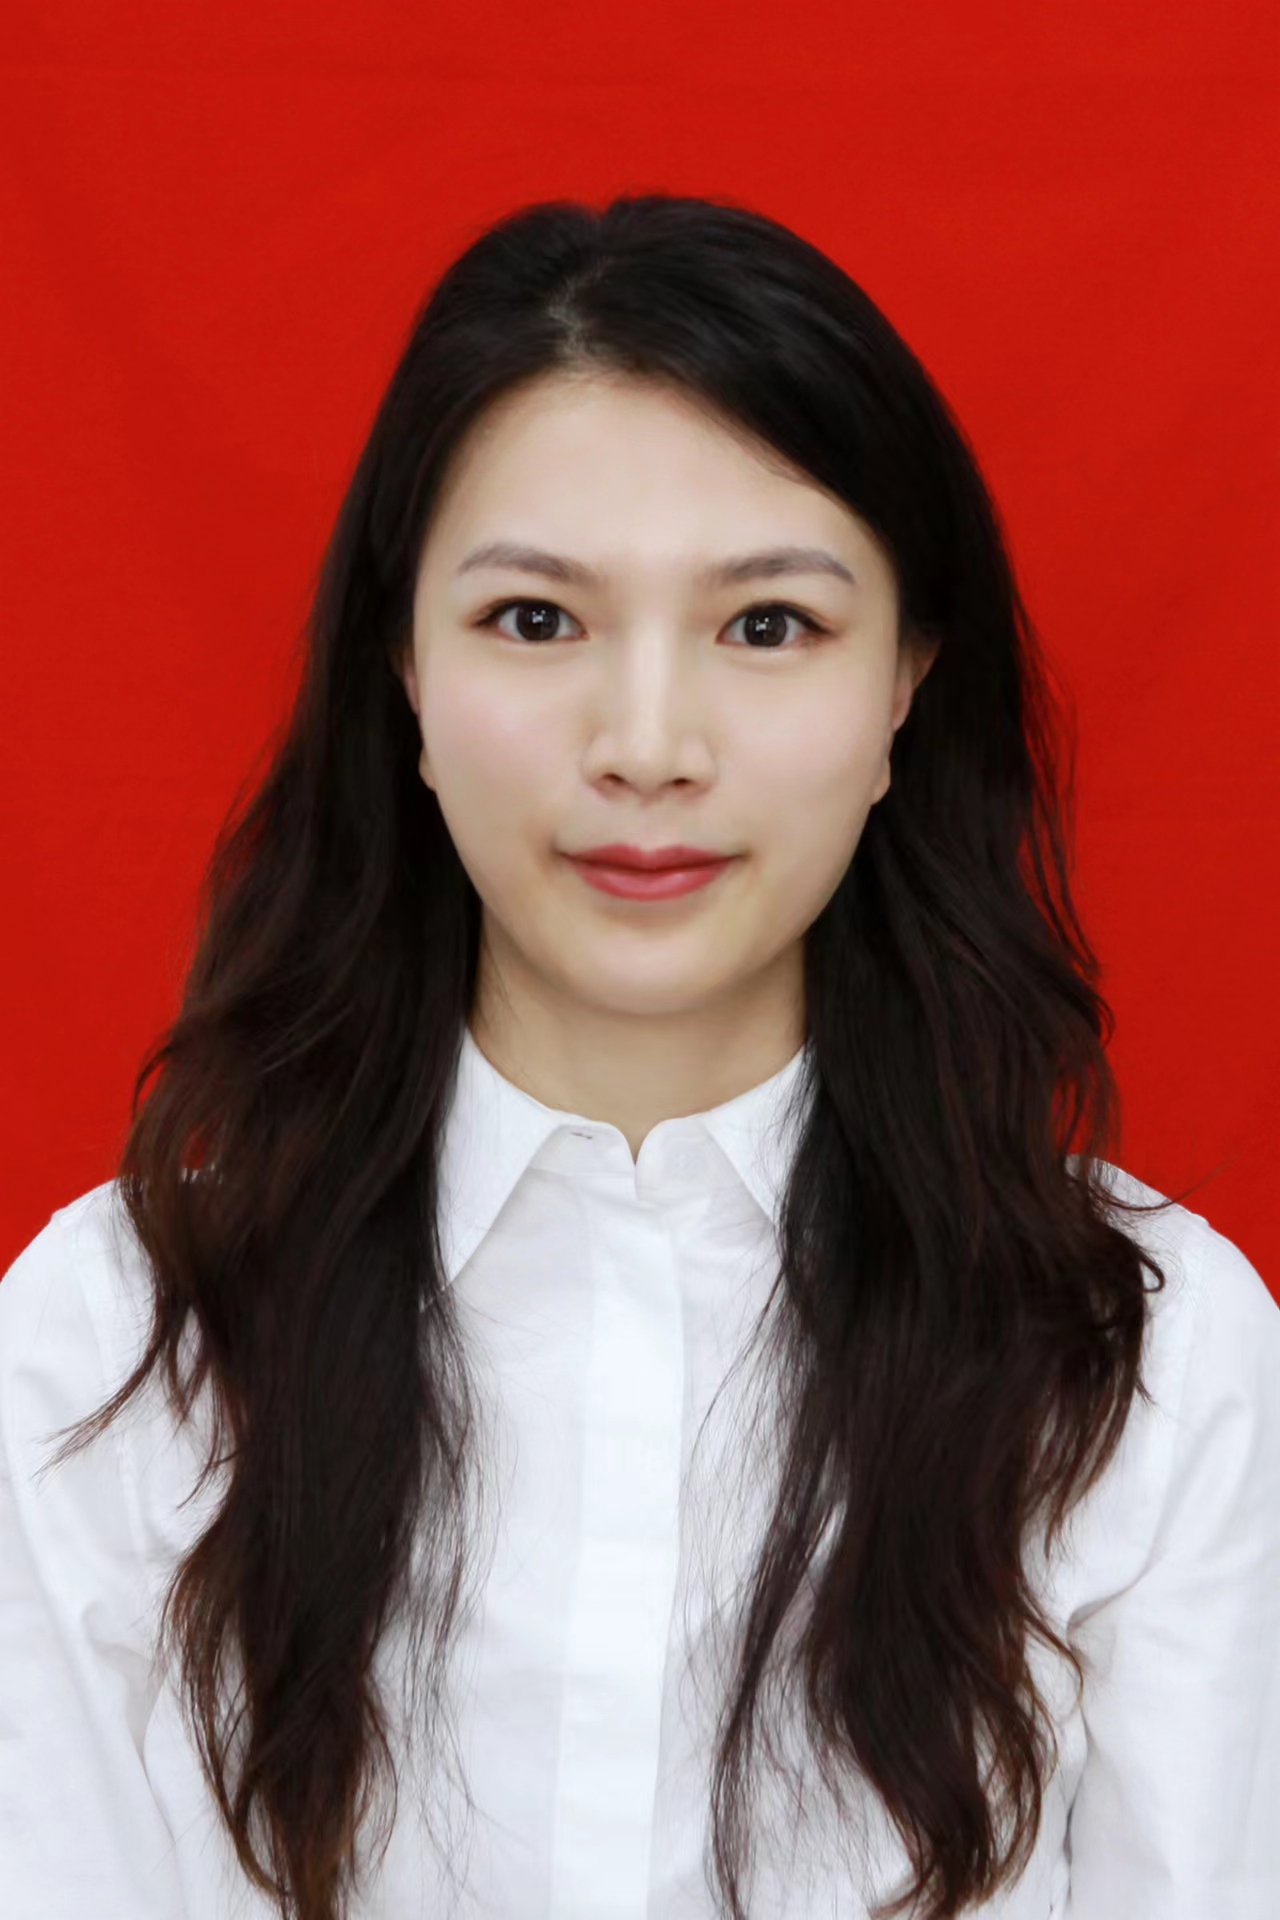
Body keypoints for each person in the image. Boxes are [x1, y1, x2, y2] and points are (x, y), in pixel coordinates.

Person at [1, 192, 1276, 1920]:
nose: (649, 746)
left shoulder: (1154, 1366)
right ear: (404, 672)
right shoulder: (110, 1345)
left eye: (769, 625)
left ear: (907, 681)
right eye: (537, 620)